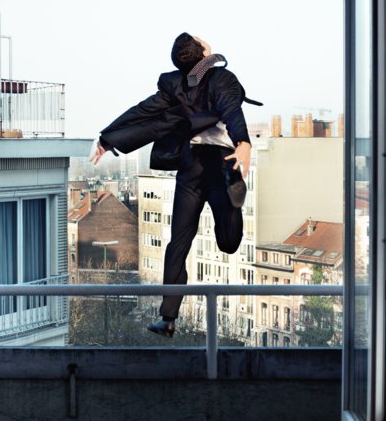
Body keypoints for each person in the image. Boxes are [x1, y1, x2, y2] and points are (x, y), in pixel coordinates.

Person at [89, 32, 259, 338]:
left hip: (190, 166)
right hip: (221, 164)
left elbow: (142, 111)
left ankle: (168, 318)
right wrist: (243, 142)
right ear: (204, 52)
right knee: (229, 243)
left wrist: (107, 137)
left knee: (178, 243)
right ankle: (234, 204)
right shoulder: (221, 79)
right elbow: (232, 109)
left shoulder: (174, 83)